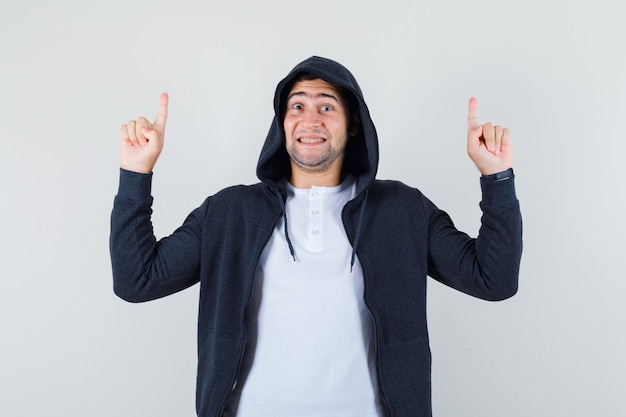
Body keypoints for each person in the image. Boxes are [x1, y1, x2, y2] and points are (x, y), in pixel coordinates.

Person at [110, 56, 522, 417]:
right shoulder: (229, 212)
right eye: (297, 106)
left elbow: (493, 280)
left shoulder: (402, 209)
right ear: (282, 123)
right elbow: (137, 281)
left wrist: (496, 177)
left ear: (353, 124)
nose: (311, 120)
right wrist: (136, 174)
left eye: (327, 106)